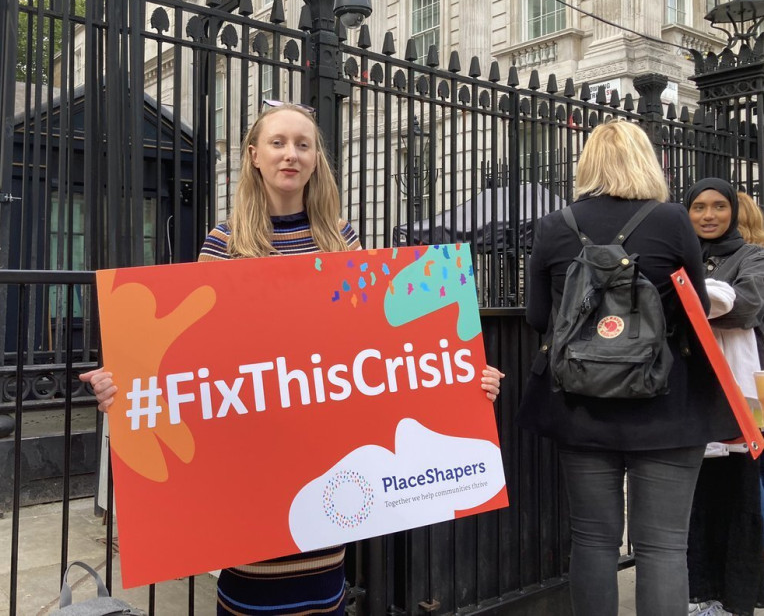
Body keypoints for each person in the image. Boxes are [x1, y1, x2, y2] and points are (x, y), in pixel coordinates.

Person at [82, 101, 505, 615]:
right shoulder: (223, 244)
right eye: (278, 143)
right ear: (254, 155)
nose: (291, 154)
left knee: (322, 590)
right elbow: (190, 363)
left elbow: (382, 351)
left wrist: (463, 379)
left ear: (316, 159)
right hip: (251, 460)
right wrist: (124, 385)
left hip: (324, 460)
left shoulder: (342, 242)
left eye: (303, 145)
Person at [517, 120, 739, 616]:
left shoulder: (555, 225)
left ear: (587, 164)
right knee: (663, 547)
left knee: (592, 540)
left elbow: (537, 317)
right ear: (646, 162)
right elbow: (695, 308)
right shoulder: (673, 220)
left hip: (581, 405)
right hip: (666, 404)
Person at [684, 179, 764, 616]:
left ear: (733, 210)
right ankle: (698, 593)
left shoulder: (753, 256)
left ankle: (736, 596)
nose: (709, 215)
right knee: (694, 498)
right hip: (687, 393)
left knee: (739, 495)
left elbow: (748, 306)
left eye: (718, 206)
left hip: (738, 397)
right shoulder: (681, 254)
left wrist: (691, 300)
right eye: (698, 207)